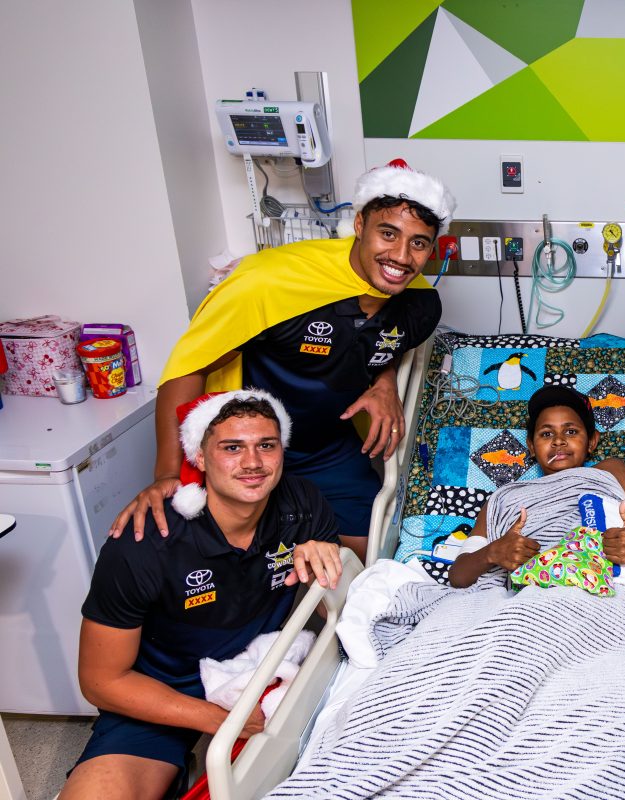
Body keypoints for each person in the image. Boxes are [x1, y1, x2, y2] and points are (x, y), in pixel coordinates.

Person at [111, 159, 455, 563]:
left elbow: (379, 344)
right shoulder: (269, 283)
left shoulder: (419, 306)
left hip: (326, 446)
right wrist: (167, 474)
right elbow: (190, 366)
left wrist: (383, 384)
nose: (400, 256)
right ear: (360, 225)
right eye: (387, 233)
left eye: (418, 242)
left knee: (368, 561)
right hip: (245, 444)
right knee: (231, 561)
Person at [61, 391, 342, 800]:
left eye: (266, 445)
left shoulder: (301, 506)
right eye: (232, 448)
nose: (252, 463)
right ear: (200, 458)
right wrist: (217, 720)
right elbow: (101, 681)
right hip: (162, 690)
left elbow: (341, 612)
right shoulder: (143, 543)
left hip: (257, 670)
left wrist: (327, 563)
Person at [449, 385, 625, 588]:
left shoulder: (611, 470)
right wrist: (492, 553)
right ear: (531, 447)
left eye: (571, 431)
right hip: (531, 598)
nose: (558, 440)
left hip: (609, 590)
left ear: (592, 441)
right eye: (546, 434)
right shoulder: (504, 497)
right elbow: (458, 577)